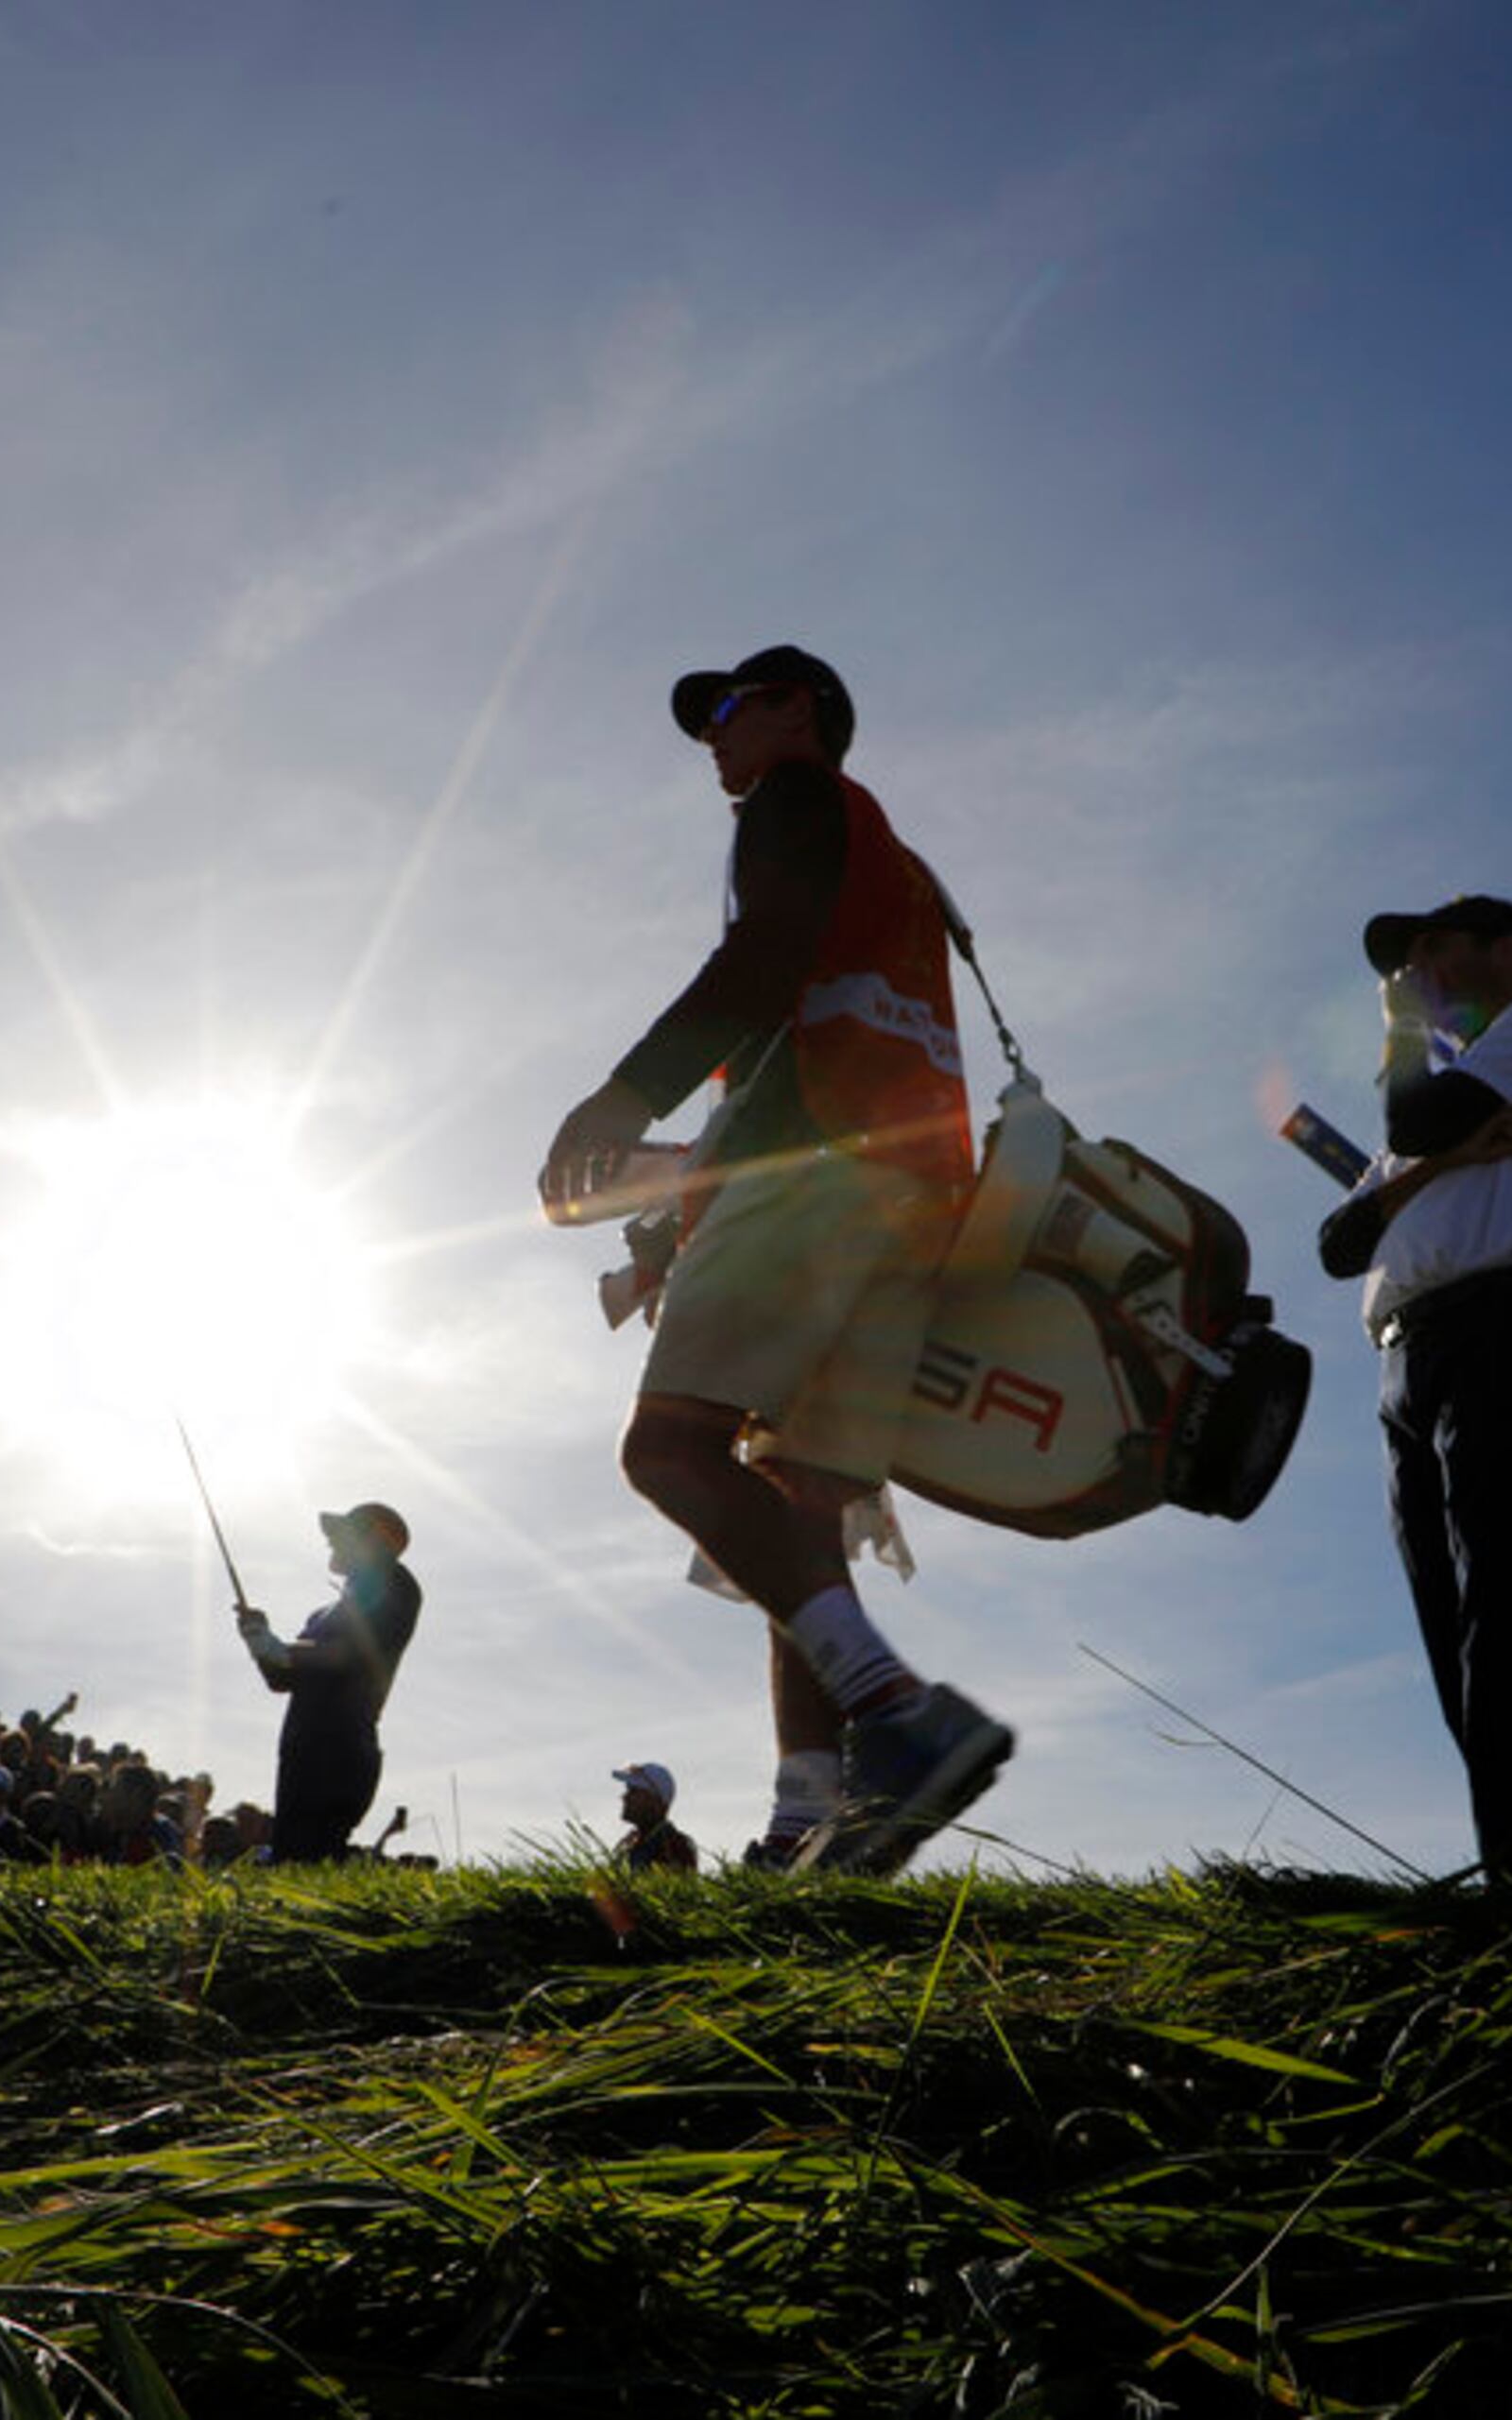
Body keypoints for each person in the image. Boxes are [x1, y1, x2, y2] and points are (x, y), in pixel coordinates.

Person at [537, 644, 1012, 1879]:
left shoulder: (796, 802)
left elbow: (765, 961)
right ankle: (812, 1819)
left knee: (671, 1450)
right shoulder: (897, 861)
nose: (715, 737)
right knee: (800, 1509)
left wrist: (620, 1097)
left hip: (811, 1162)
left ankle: (900, 1717)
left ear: (800, 711)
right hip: (914, 1194)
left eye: (733, 707)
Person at [1316, 894, 1512, 1892]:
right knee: (1454, 1632)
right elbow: (1338, 1240)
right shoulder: (1451, 1101)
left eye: (1436, 948)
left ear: (1510, 949)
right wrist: (1451, 1157)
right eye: (1409, 961)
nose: (1419, 969)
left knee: (1507, 1610)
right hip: (1410, 1357)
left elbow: (1416, 1116)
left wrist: (1403, 1035)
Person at [235, 1502, 422, 1865]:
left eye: (342, 1534)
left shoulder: (397, 1585)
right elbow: (282, 1678)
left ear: (375, 1541)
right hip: (302, 1746)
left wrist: (281, 1649)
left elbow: (352, 1654)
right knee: (292, 1855)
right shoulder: (321, 1616)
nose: (330, 1541)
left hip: (340, 1743)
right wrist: (258, 1639)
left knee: (312, 1853)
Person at [609, 1759, 700, 1874]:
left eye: (633, 1791)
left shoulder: (675, 1846)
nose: (625, 1797)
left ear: (655, 1800)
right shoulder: (632, 1842)